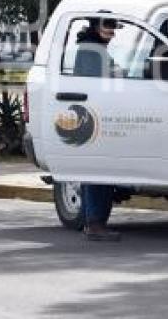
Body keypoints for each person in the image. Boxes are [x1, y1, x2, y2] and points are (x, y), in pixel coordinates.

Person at [74, 17, 121, 241]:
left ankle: (89, 220)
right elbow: (101, 82)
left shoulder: (90, 48)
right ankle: (95, 223)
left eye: (113, 27)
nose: (111, 31)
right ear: (95, 27)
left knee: (93, 170)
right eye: (107, 26)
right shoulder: (93, 51)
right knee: (99, 171)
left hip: (90, 115)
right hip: (96, 116)